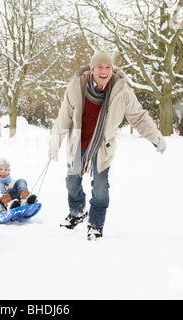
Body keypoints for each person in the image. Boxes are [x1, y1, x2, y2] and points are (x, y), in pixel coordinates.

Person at [48, 49, 166, 241]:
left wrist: (155, 136)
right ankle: (77, 213)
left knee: (101, 187)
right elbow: (63, 119)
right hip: (79, 144)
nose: (104, 71)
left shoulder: (121, 91)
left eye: (108, 67)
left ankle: (95, 224)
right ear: (93, 69)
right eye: (100, 67)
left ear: (112, 69)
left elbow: (138, 116)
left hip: (104, 147)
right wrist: (55, 144)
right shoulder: (76, 88)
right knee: (71, 182)